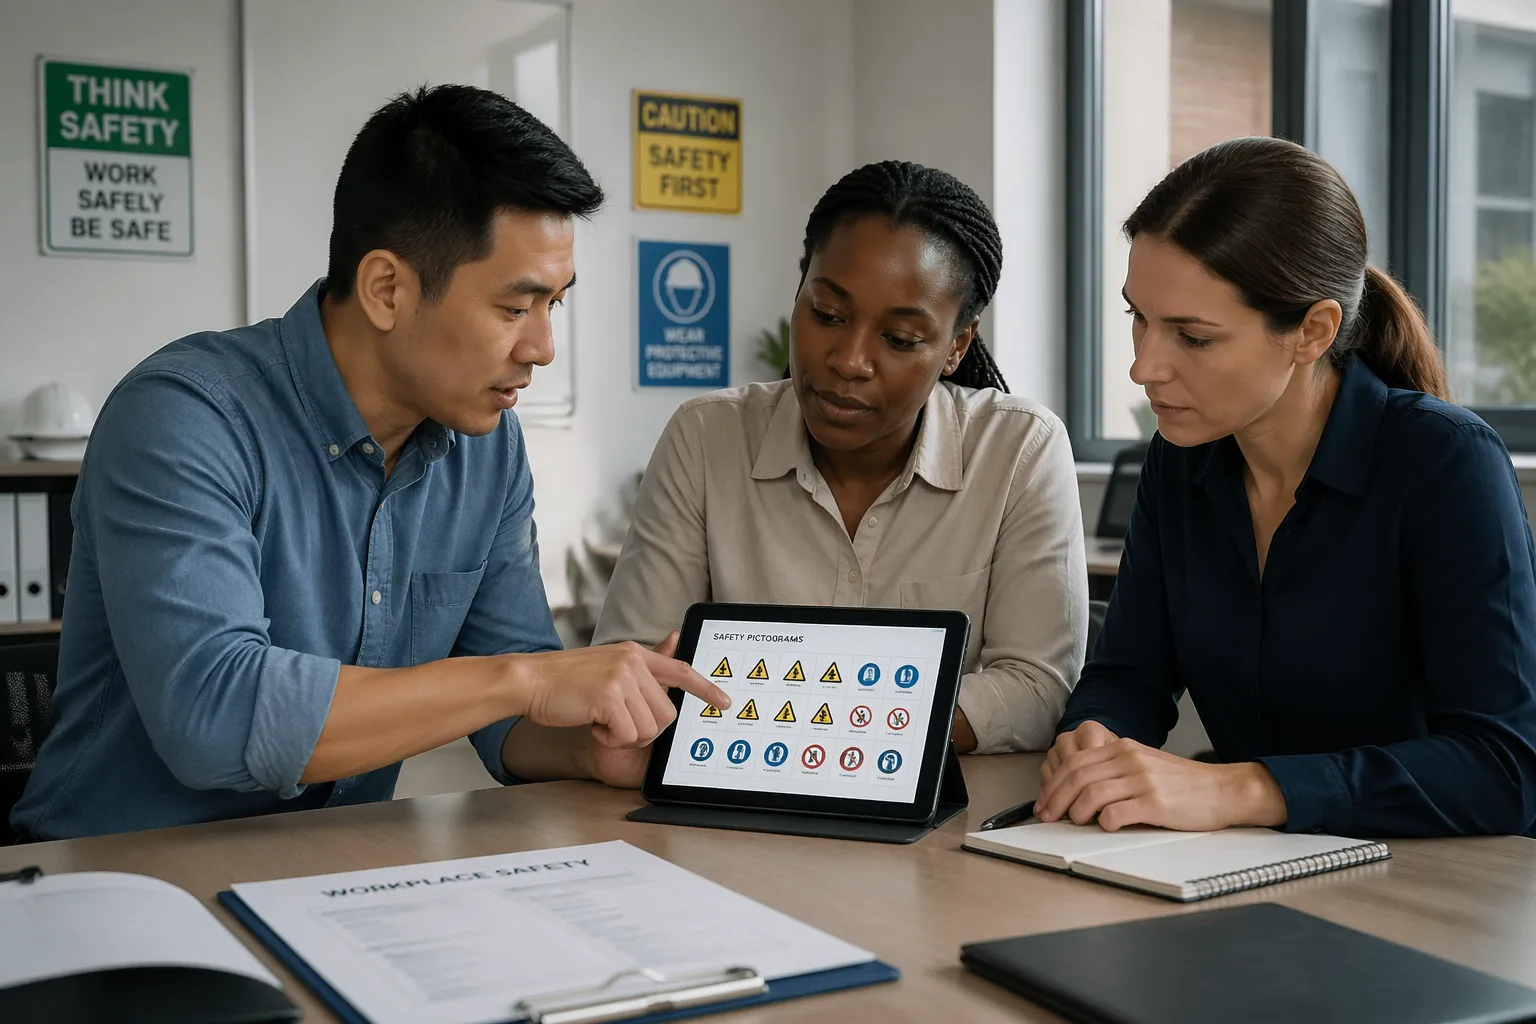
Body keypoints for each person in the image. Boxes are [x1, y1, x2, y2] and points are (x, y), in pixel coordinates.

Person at [12, 85, 728, 842]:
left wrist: (592, 749)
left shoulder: (487, 445)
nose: (543, 347)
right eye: (516, 308)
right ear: (387, 288)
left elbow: (513, 717)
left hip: (329, 873)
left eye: (557, 304)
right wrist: (527, 678)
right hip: (115, 878)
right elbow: (214, 719)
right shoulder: (183, 417)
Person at [1036, 136, 1536, 838]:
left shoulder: (1445, 464)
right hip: (1248, 870)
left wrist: (1241, 789)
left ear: (1312, 331)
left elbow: (1505, 766)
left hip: (1442, 887)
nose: (1144, 368)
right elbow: (1131, 674)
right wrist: (1095, 737)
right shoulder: (1179, 461)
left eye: (1194, 337)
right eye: (1138, 319)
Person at [594, 161, 1088, 754]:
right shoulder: (705, 437)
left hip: (942, 827)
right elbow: (633, 673)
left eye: (900, 339)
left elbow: (1039, 690)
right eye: (827, 315)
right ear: (800, 290)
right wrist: (869, 717)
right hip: (733, 811)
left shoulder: (1019, 450)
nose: (850, 360)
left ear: (956, 345)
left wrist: (816, 725)